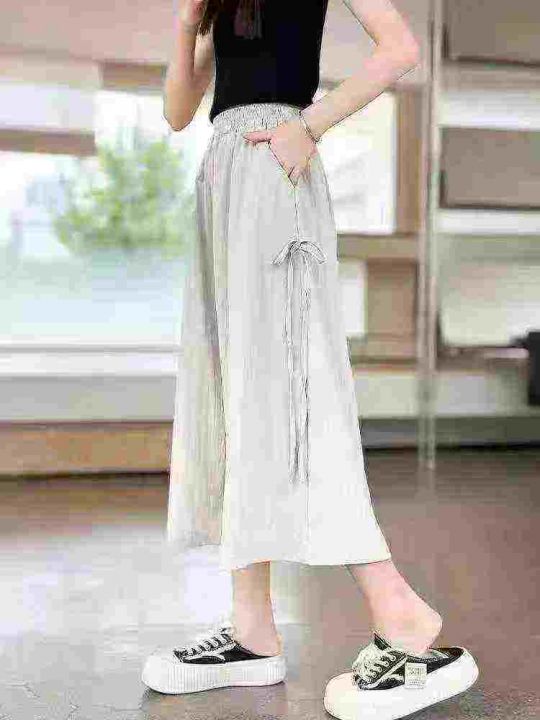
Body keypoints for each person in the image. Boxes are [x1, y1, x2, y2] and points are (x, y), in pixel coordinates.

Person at [142, 0, 479, 717]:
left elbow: (400, 48)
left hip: (274, 173)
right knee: (236, 398)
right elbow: (176, 112)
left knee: (296, 392)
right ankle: (252, 629)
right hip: (223, 179)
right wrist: (187, 22)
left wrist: (312, 125)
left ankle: (401, 613)